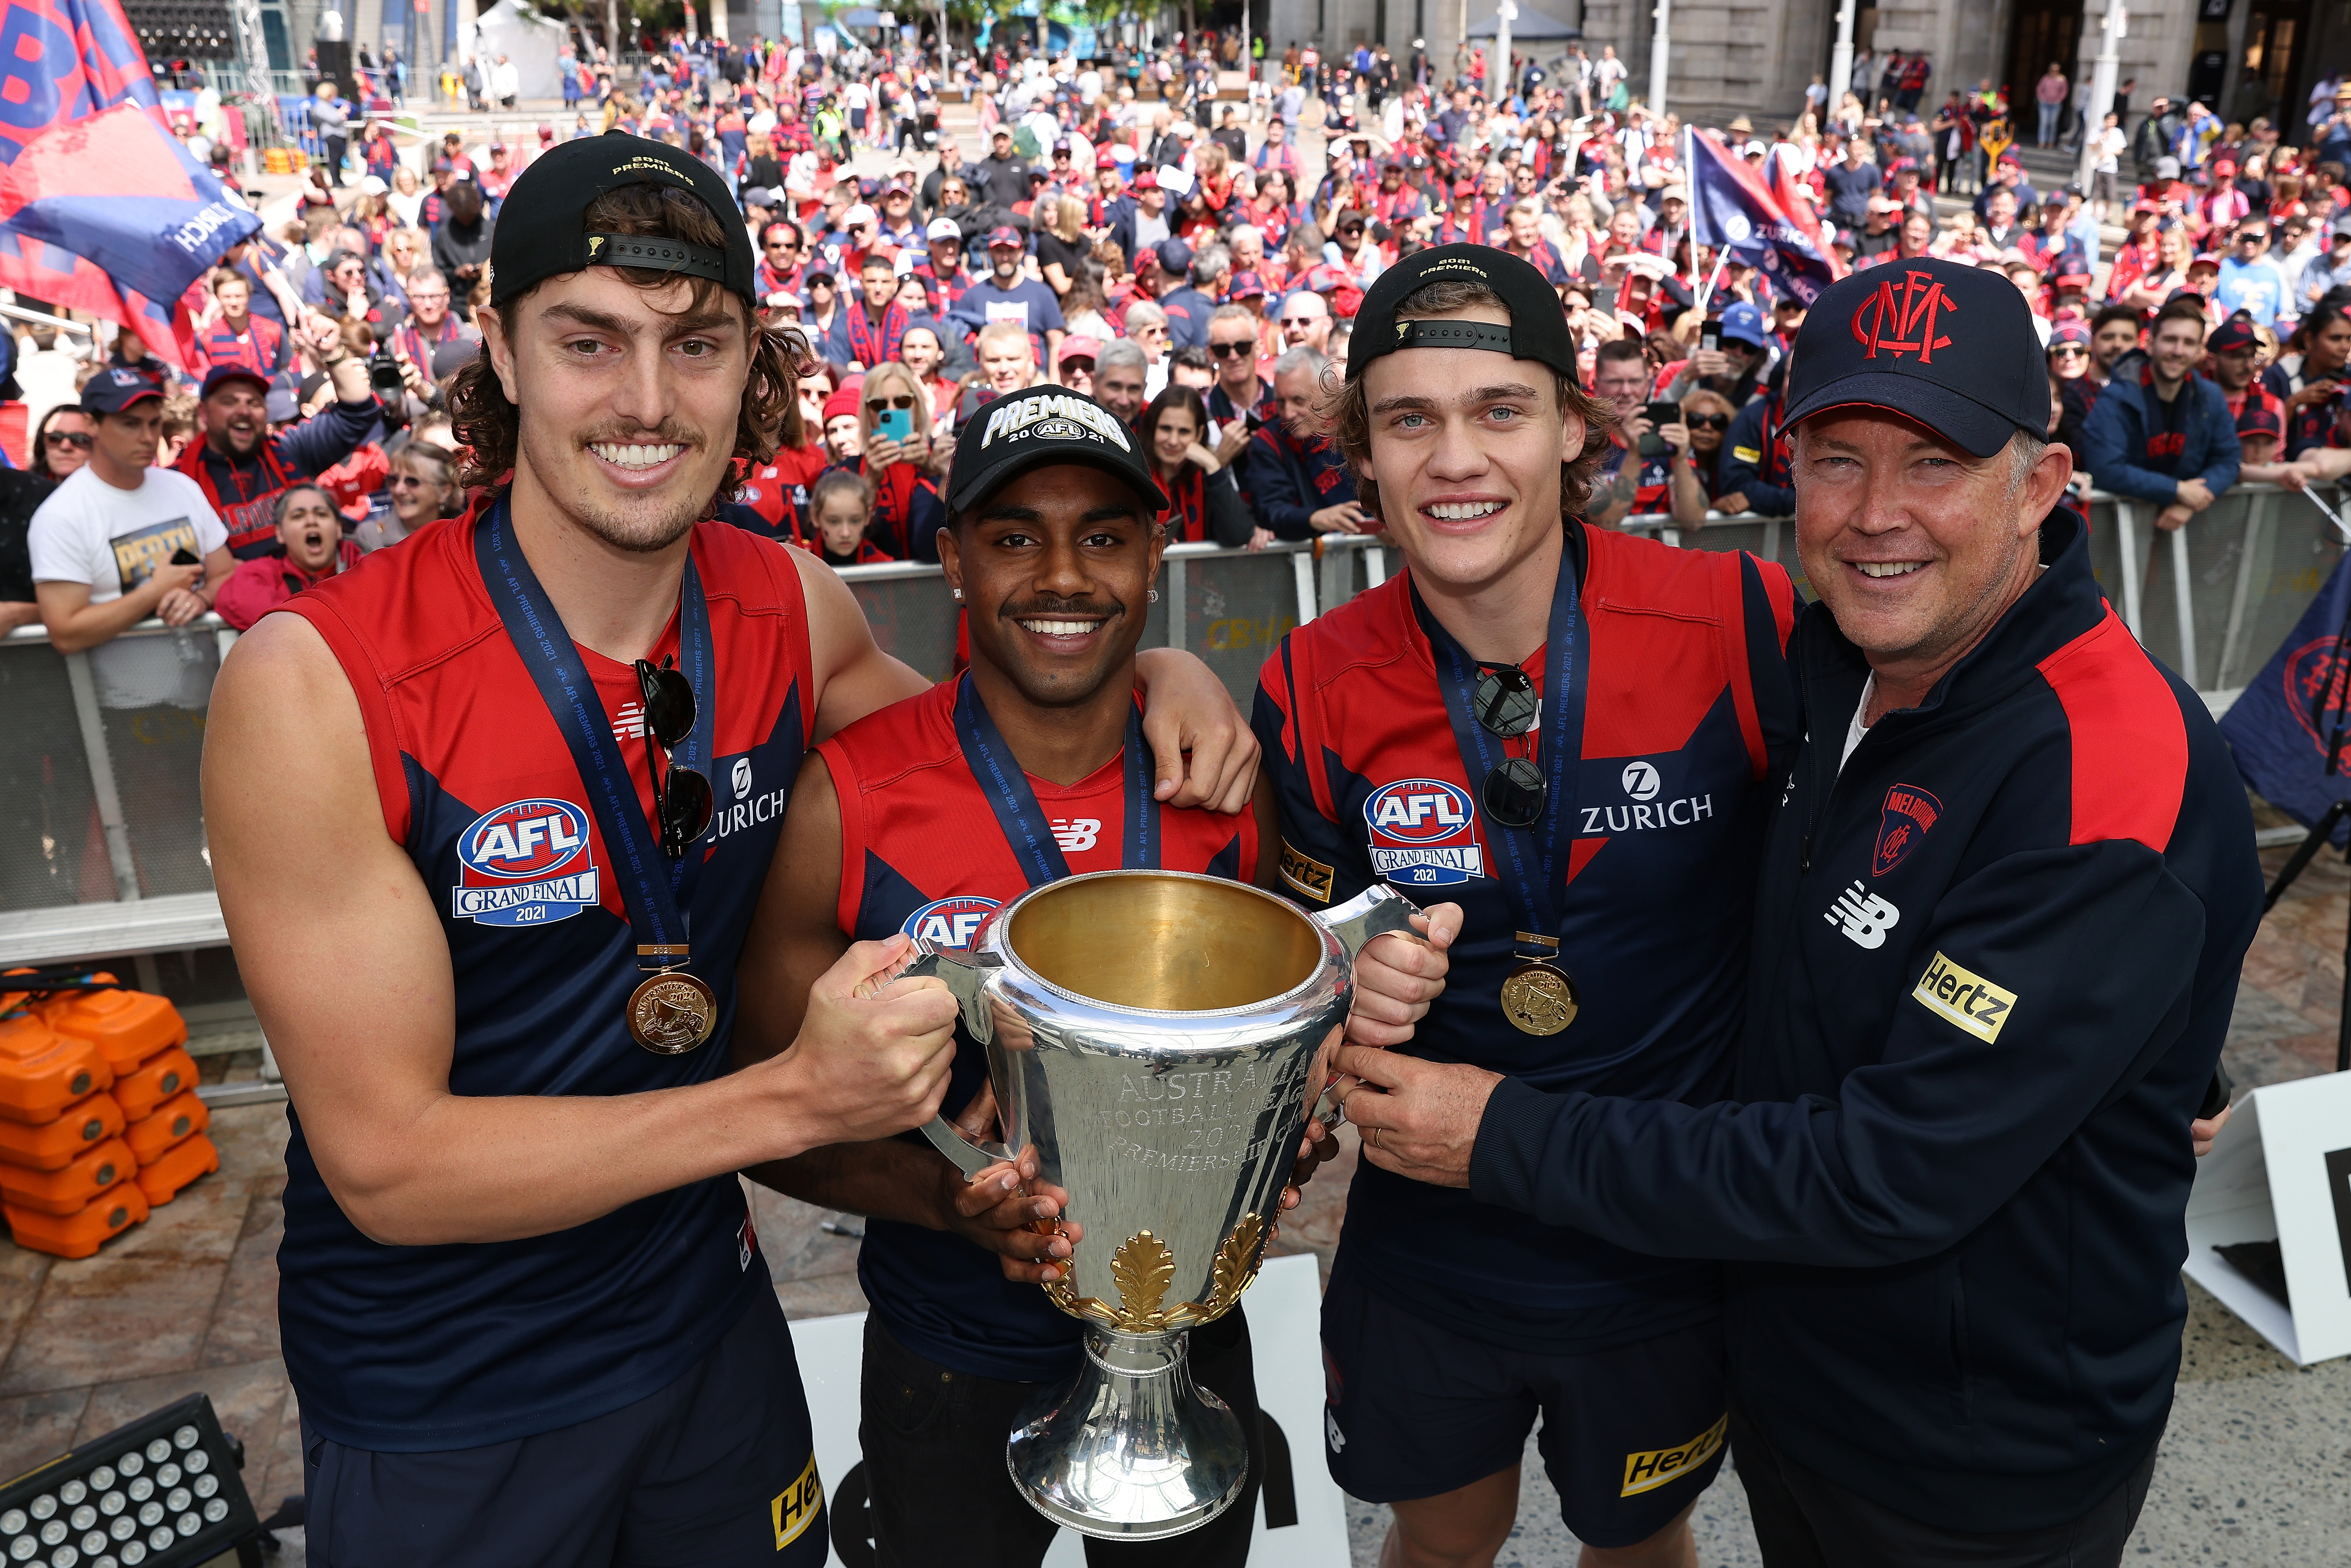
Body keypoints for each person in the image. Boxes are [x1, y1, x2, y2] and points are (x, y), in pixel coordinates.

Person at [199, 133, 1256, 1568]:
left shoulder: (785, 602)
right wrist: (790, 1098)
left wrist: (1166, 674)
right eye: (589, 339)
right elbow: (390, 1159)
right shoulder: (320, 679)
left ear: (749, 359)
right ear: (502, 352)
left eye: (694, 344)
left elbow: (993, 741)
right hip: (450, 1383)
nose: (646, 400)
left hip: (702, 1322)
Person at [1328, 253, 2260, 1568]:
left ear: (2040, 483)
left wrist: (1501, 1133)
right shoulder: (1829, 656)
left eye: (1932, 460)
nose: (1877, 512)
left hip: (1972, 1457)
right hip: (1785, 1365)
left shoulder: (2097, 758)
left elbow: (1889, 1168)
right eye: (1835, 457)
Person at [1250, 245, 1803, 1568]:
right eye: (1408, 418)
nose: (1456, 457)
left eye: (1498, 409)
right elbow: (1299, 980)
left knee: (1641, 1536)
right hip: (1430, 1246)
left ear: (1571, 426)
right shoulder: (1311, 679)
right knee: (1444, 1536)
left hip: (1658, 1234)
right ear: (1363, 454)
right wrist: (1344, 999)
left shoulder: (1738, 614)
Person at [737, 388, 1277, 1568]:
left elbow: (1290, 1057)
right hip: (951, 1350)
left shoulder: (1221, 784)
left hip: (1184, 1337)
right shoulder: (848, 798)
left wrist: (1283, 1139)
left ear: (1151, 553)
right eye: (1013, 534)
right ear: (950, 559)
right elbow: (761, 1109)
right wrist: (946, 1199)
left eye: (1102, 534)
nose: (1061, 575)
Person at [30, 369, 236, 894]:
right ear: (93, 426)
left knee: (239, 835)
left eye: (154, 423)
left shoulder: (180, 487)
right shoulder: (65, 514)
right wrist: (153, 592)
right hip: (130, 717)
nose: (148, 436)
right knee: (166, 848)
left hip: (211, 698)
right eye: (131, 424)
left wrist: (200, 596)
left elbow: (224, 569)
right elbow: (66, 629)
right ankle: (195, 972)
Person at [176, 343, 376, 561]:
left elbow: (359, 413)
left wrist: (332, 353)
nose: (244, 411)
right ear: (204, 413)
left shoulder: (290, 449)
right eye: (229, 402)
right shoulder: (179, 482)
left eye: (254, 403)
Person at [2082, 297, 2243, 530]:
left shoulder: (2209, 396)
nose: (2178, 351)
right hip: (2119, 529)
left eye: (2188, 343)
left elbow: (2228, 460)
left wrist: (2195, 498)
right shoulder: (2116, 397)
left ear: (2199, 351)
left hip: (2188, 527)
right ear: (2149, 344)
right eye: (2170, 340)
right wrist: (2177, 490)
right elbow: (2105, 468)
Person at [1240, 345, 1361, 542]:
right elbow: (1270, 509)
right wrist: (1314, 519)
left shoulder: (1355, 428)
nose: (1288, 413)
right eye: (1281, 402)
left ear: (1327, 392)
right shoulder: (1270, 440)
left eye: (1299, 400)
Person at [214, 482, 363, 629]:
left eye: (321, 514)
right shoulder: (257, 575)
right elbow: (236, 600)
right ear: (280, 533)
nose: (311, 522)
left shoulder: (366, 568)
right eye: (298, 516)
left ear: (339, 528)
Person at [1140, 385, 1251, 545]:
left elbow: (1238, 535)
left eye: (1184, 432)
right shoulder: (1134, 475)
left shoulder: (1207, 479)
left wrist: (1213, 465)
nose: (1173, 441)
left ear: (1199, 434)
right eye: (1165, 429)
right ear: (1152, 428)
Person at [354, 439, 460, 551]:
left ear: (444, 492)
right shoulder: (371, 536)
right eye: (393, 480)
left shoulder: (467, 533)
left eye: (413, 482)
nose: (399, 490)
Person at [801, 468, 892, 565]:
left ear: (868, 516)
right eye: (834, 522)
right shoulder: (800, 564)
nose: (845, 533)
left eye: (855, 521)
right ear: (815, 517)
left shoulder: (885, 568)